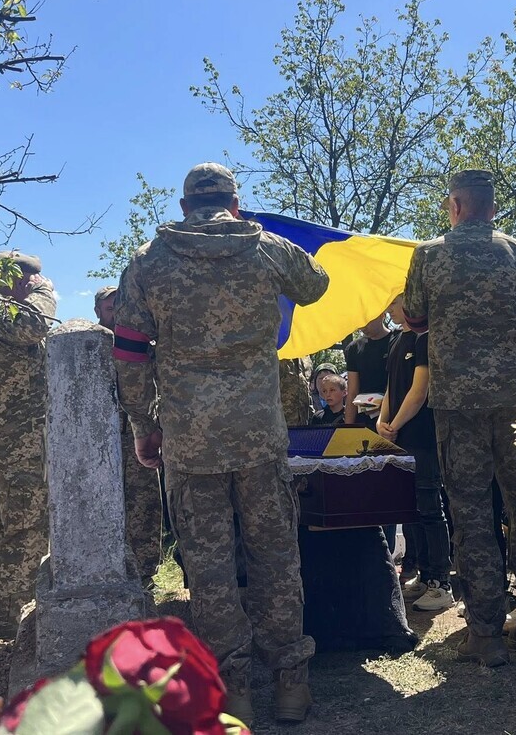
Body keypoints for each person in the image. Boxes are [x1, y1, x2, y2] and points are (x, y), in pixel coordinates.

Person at [113, 162, 329, 726]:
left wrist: (143, 425)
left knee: (209, 569)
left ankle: (233, 690)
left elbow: (130, 352)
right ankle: (291, 683)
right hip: (260, 436)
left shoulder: (148, 262)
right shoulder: (267, 247)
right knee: (275, 556)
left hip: (190, 443)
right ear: (235, 202)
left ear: (185, 206)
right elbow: (317, 285)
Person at [403, 169, 516, 667]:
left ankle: (487, 633)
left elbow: (413, 316)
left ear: (455, 206)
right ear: (492, 207)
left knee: (471, 513)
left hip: (459, 406)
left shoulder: (429, 255)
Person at [0, 250, 56, 640]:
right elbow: (37, 323)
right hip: (19, 450)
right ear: (21, 281)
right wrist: (45, 291)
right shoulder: (5, 316)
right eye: (31, 281)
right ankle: (10, 636)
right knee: (24, 537)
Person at [378, 295, 453, 612]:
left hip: (421, 436)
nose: (389, 310)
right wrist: (382, 422)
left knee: (430, 507)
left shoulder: (426, 338)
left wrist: (394, 424)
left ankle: (441, 583)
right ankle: (423, 574)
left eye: (394, 303)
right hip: (398, 437)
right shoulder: (398, 340)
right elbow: (391, 388)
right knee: (412, 509)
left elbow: (419, 391)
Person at [94, 285, 164, 584]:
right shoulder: (92, 345)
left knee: (145, 504)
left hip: (140, 436)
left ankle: (145, 574)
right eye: (110, 308)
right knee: (101, 506)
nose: (116, 314)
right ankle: (105, 571)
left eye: (119, 307)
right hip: (102, 442)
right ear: (98, 311)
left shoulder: (142, 343)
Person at [344, 314, 392, 427]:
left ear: (382, 315)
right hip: (363, 417)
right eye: (360, 322)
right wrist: (348, 427)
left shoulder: (397, 340)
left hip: (393, 417)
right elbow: (352, 392)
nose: (363, 327)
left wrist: (383, 406)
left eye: (367, 321)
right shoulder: (354, 348)